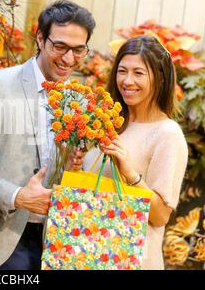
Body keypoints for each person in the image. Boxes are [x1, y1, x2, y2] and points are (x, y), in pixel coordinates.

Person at [0, 0, 96, 270]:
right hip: (1, 237)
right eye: (60, 46)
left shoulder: (79, 99)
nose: (68, 59)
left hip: (57, 240)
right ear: (40, 38)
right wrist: (17, 196)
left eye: (78, 50)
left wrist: (73, 164)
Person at [80, 36, 188, 270]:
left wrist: (130, 173)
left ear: (159, 77)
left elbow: (160, 216)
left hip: (132, 261)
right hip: (88, 252)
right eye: (122, 71)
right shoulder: (107, 122)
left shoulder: (167, 134)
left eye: (139, 73)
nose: (127, 81)